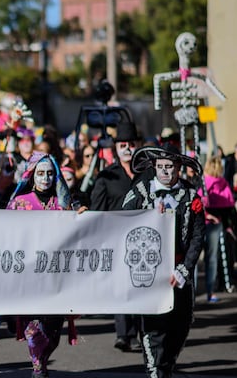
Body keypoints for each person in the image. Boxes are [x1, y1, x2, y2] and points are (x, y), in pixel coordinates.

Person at [122, 145, 205, 378]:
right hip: (149, 271)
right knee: (152, 326)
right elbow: (121, 220)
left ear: (178, 168)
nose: (165, 172)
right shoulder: (141, 191)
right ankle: (154, 370)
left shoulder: (190, 196)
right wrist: (147, 215)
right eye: (160, 167)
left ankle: (166, 367)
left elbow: (198, 236)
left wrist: (184, 270)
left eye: (170, 167)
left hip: (179, 273)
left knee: (180, 325)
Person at [5, 152, 84, 378]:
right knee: (33, 327)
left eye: (50, 173)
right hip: (28, 276)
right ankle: (38, 366)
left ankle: (43, 358)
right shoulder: (18, 203)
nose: (45, 178)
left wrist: (81, 215)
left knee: (52, 332)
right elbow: (4, 233)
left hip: (57, 277)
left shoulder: (64, 204)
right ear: (32, 176)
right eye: (40, 173)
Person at [89, 121, 142, 352]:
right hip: (116, 240)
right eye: (123, 144)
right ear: (116, 148)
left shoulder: (148, 174)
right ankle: (123, 334)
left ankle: (141, 331)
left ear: (138, 145)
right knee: (121, 288)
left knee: (141, 285)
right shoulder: (106, 177)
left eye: (131, 144)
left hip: (143, 239)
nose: (127, 148)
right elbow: (97, 210)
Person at [200, 157, 237, 303]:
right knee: (216, 257)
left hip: (207, 222)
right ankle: (215, 288)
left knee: (208, 257)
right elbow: (229, 204)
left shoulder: (204, 182)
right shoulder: (221, 183)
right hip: (218, 222)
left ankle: (209, 288)